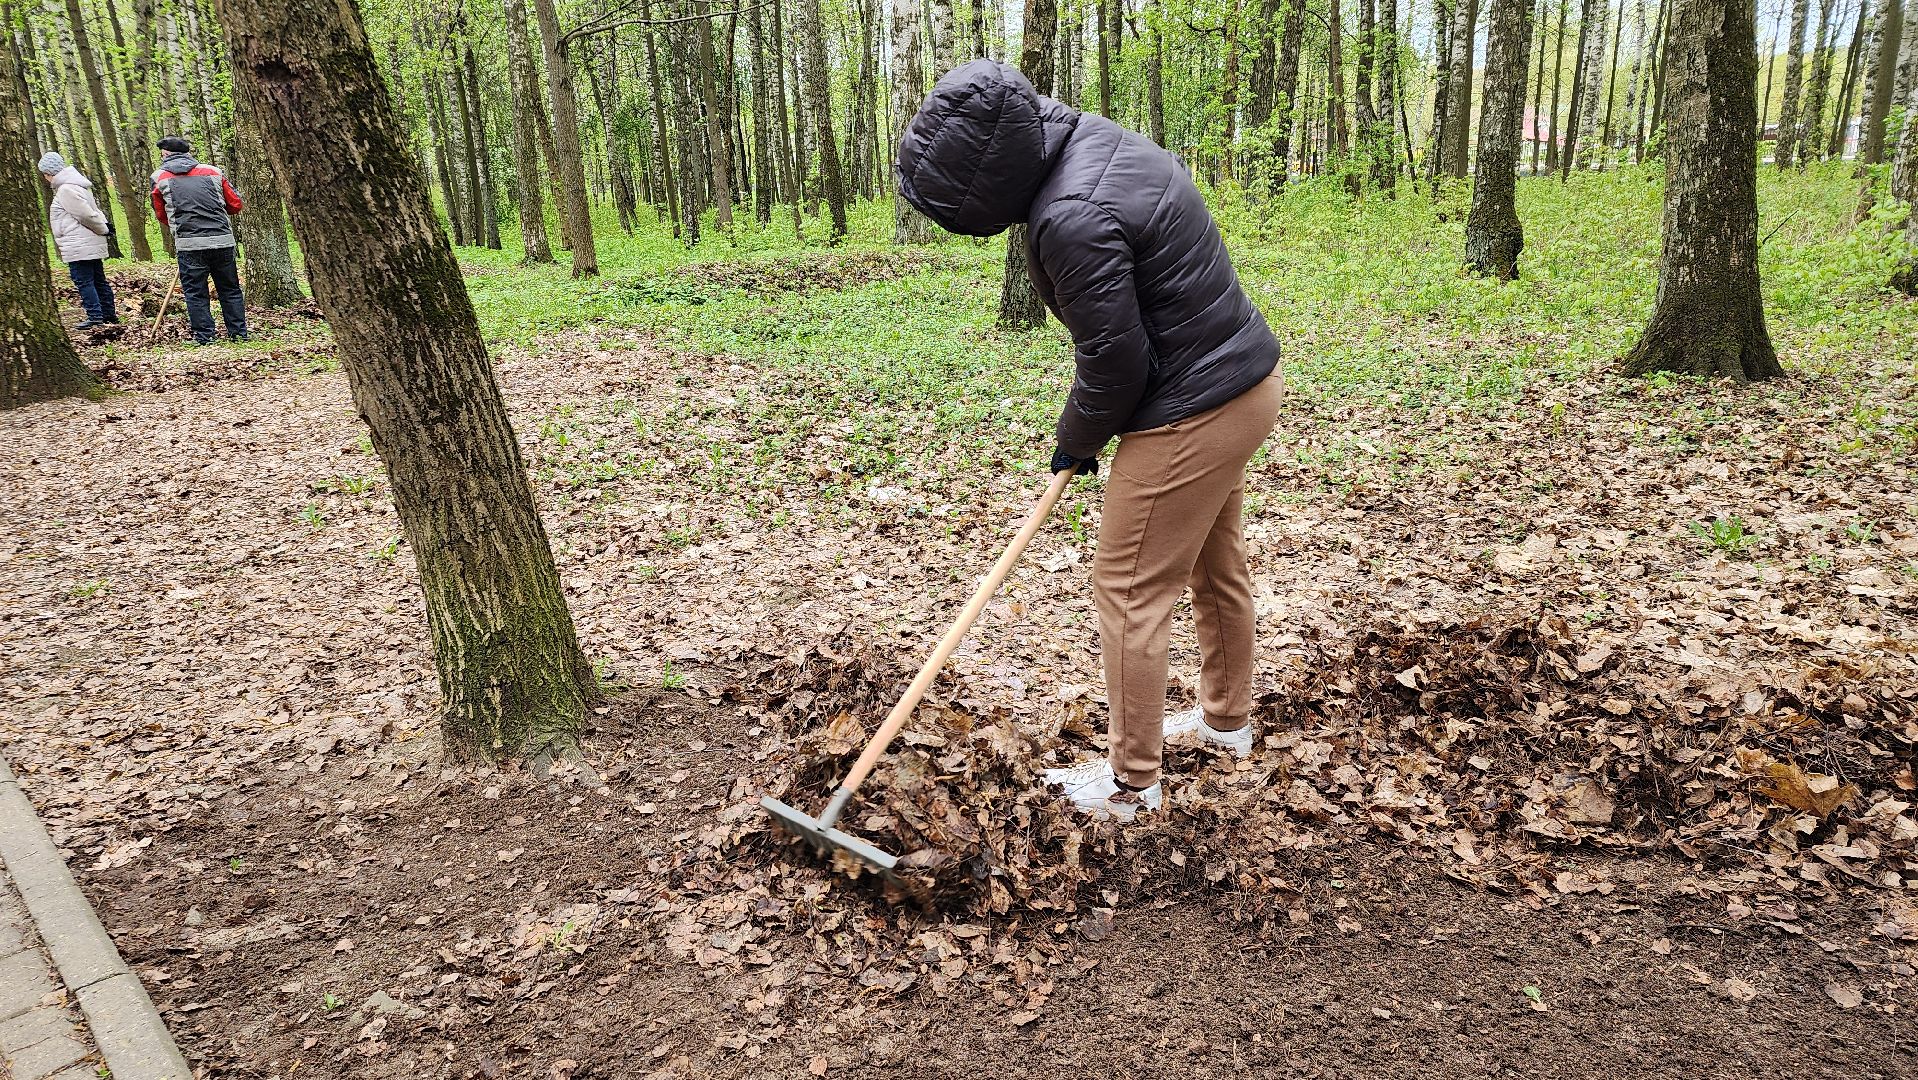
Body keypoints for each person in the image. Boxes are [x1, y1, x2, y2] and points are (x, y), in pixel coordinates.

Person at [897, 60, 1285, 822]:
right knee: (1215, 565)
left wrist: (1075, 440)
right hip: (1245, 382)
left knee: (1129, 588)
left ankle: (1133, 786)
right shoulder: (1094, 139)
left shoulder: (1069, 212)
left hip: (1192, 409)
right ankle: (1225, 724)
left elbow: (1116, 361)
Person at [149, 135, 248, 344]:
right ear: (187, 152)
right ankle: (239, 333)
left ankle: (205, 336)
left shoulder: (159, 177)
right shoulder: (213, 171)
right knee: (229, 289)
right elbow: (235, 204)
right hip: (221, 241)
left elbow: (161, 214)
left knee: (195, 292)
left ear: (165, 154)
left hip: (189, 244)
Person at [37, 152, 120, 329]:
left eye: (45, 174)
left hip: (78, 244)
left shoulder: (66, 189)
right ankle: (108, 314)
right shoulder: (77, 185)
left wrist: (103, 228)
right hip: (87, 242)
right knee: (98, 279)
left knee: (84, 280)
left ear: (49, 173)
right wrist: (103, 228)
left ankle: (96, 316)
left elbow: (85, 215)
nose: (45, 178)